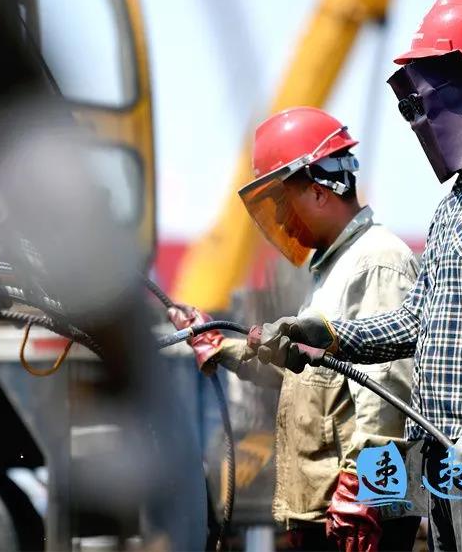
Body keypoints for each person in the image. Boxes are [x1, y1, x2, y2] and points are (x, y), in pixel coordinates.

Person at [250, 0, 462, 551]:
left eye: (425, 94)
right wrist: (327, 335)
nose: (419, 116)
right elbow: (415, 321)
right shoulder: (454, 205)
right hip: (445, 459)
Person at [170, 107, 421, 551]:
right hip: (327, 513)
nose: (282, 221)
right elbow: (302, 374)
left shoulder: (376, 261)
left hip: (358, 517)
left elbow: (387, 392)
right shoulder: (331, 270)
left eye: (284, 204)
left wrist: (363, 491)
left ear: (321, 190)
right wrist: (219, 344)